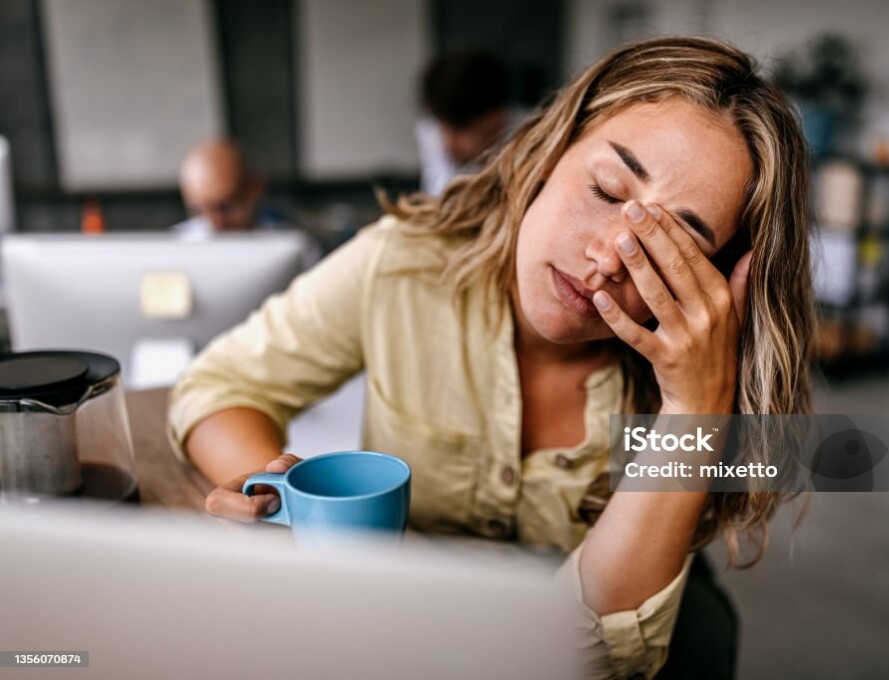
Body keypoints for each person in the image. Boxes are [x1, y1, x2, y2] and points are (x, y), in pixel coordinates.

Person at [168, 37, 815, 679]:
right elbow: (218, 385)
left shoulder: (704, 389)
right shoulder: (404, 265)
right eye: (608, 189)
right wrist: (290, 511)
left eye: (672, 245)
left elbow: (595, 656)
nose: (609, 258)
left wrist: (694, 408)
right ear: (549, 150)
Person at [416, 50, 515, 195]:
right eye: (443, 127)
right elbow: (439, 198)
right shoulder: (433, 130)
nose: (449, 142)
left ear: (497, 119)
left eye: (459, 130)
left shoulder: (530, 138)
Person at [172, 139, 287, 236]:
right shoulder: (176, 245)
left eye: (223, 208)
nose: (214, 224)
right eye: (199, 211)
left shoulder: (288, 239)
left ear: (255, 189)